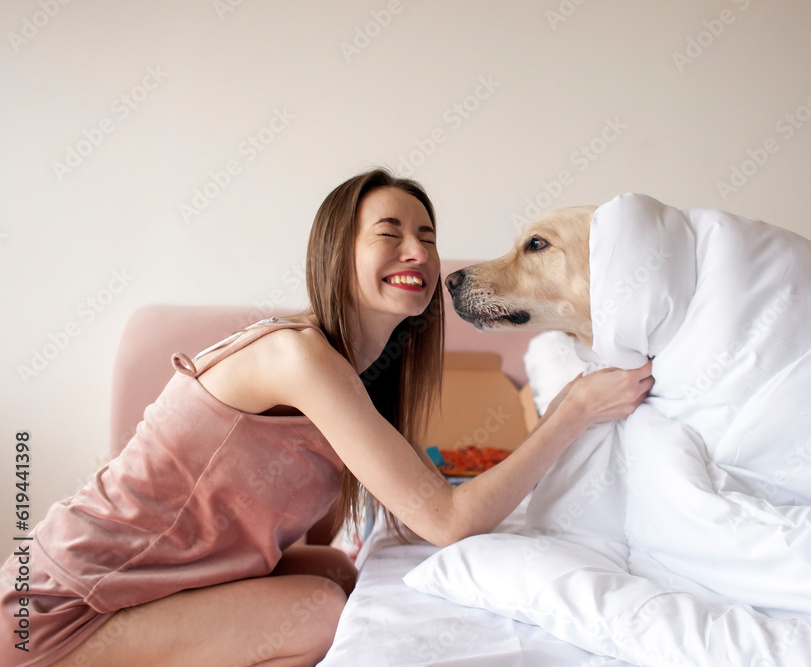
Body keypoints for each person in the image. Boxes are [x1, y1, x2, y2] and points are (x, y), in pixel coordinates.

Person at [1, 168, 654, 666]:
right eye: (390, 233)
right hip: (53, 610)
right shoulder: (296, 355)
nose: (418, 252)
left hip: (130, 592)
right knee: (315, 609)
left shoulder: (350, 381)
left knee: (337, 573)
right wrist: (570, 411)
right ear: (340, 253)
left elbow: (311, 538)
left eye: (426, 236)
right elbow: (449, 518)